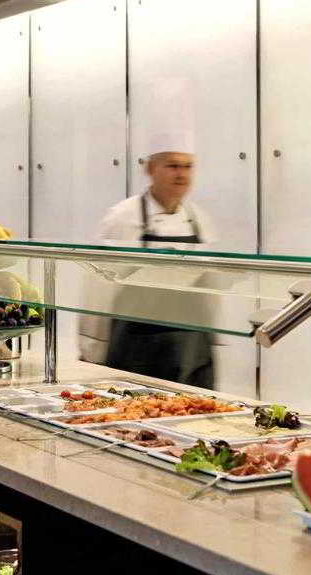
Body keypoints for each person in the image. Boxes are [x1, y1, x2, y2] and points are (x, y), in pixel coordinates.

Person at [83, 136, 215, 389]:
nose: (181, 174)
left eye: (188, 166)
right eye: (172, 165)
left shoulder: (200, 220)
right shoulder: (123, 218)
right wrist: (92, 351)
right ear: (150, 168)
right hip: (137, 351)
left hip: (192, 352)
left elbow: (212, 291)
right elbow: (98, 289)